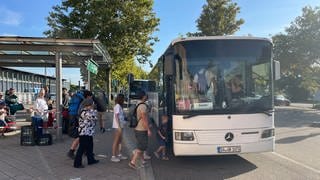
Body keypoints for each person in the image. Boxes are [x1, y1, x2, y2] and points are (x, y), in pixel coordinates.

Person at [129, 90, 152, 169]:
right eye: (145, 95)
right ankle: (133, 162)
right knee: (141, 147)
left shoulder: (138, 104)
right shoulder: (143, 106)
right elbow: (144, 118)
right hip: (141, 129)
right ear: (143, 96)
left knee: (142, 145)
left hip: (137, 128)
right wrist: (148, 129)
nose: (146, 96)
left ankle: (143, 161)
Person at [73, 98, 99, 168]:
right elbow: (94, 117)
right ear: (88, 105)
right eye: (92, 104)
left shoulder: (88, 111)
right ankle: (77, 163)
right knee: (81, 148)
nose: (93, 105)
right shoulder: (85, 112)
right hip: (84, 133)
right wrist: (94, 111)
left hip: (88, 132)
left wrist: (93, 111)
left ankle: (91, 160)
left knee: (90, 146)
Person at [111, 94, 128, 162]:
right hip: (118, 126)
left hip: (120, 125)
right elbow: (116, 116)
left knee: (119, 141)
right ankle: (113, 156)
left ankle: (119, 154)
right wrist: (119, 126)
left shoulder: (119, 106)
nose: (124, 100)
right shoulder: (118, 106)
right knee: (116, 141)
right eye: (123, 99)